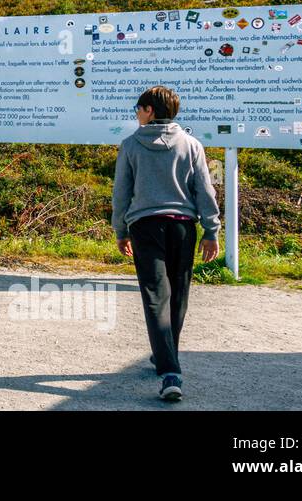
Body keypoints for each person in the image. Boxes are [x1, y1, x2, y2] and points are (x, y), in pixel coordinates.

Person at [112, 85, 221, 402]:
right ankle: (167, 355)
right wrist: (211, 230)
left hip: (146, 227)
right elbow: (205, 191)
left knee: (155, 295)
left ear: (149, 111)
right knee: (178, 294)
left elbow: (122, 193)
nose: (136, 113)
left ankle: (169, 368)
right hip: (183, 228)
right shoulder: (191, 144)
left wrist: (121, 230)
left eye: (138, 108)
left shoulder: (130, 145)